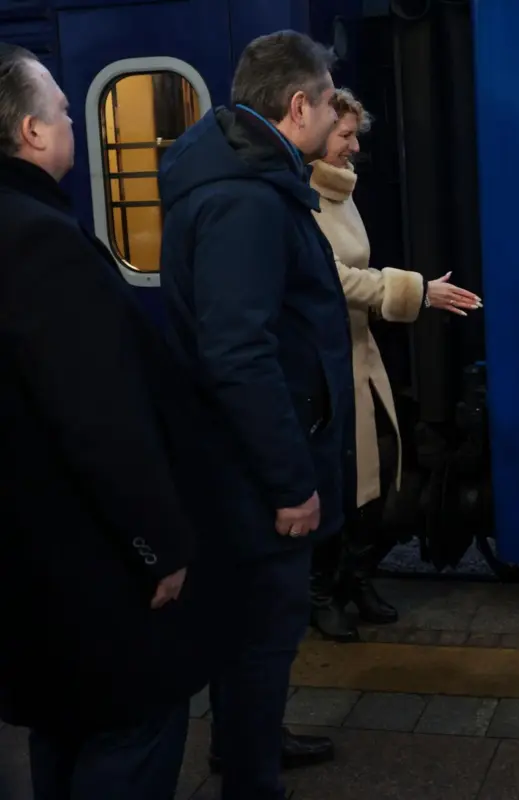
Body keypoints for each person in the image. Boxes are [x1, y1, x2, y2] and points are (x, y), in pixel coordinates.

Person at [0, 43, 218, 798]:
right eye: (62, 109)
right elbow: (98, 418)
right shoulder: (39, 240)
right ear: (31, 133)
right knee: (134, 725)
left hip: (33, 562)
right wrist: (158, 545)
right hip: (89, 560)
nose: (69, 119)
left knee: (62, 725)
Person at [156, 30, 353, 795]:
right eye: (331, 99)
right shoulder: (245, 197)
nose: (338, 113)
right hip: (256, 475)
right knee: (263, 636)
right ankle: (248, 772)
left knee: (253, 631)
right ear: (298, 105)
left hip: (240, 461)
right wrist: (289, 483)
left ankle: (251, 743)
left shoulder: (239, 175)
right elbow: (239, 354)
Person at [307, 87, 482, 641]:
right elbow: (330, 278)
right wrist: (415, 291)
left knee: (374, 477)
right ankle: (324, 591)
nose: (354, 147)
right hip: (327, 362)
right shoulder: (300, 198)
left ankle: (356, 577)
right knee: (341, 480)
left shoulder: (339, 190)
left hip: (357, 351)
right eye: (345, 136)